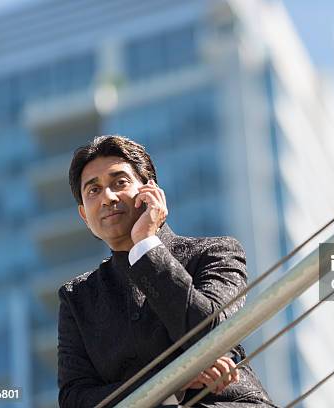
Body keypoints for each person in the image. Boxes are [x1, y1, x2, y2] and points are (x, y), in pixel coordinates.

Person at [57, 135, 275, 407]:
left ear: (151, 191)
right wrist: (170, 381)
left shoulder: (216, 252)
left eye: (119, 182)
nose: (108, 197)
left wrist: (146, 245)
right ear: (84, 215)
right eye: (94, 190)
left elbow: (211, 334)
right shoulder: (77, 298)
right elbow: (75, 400)